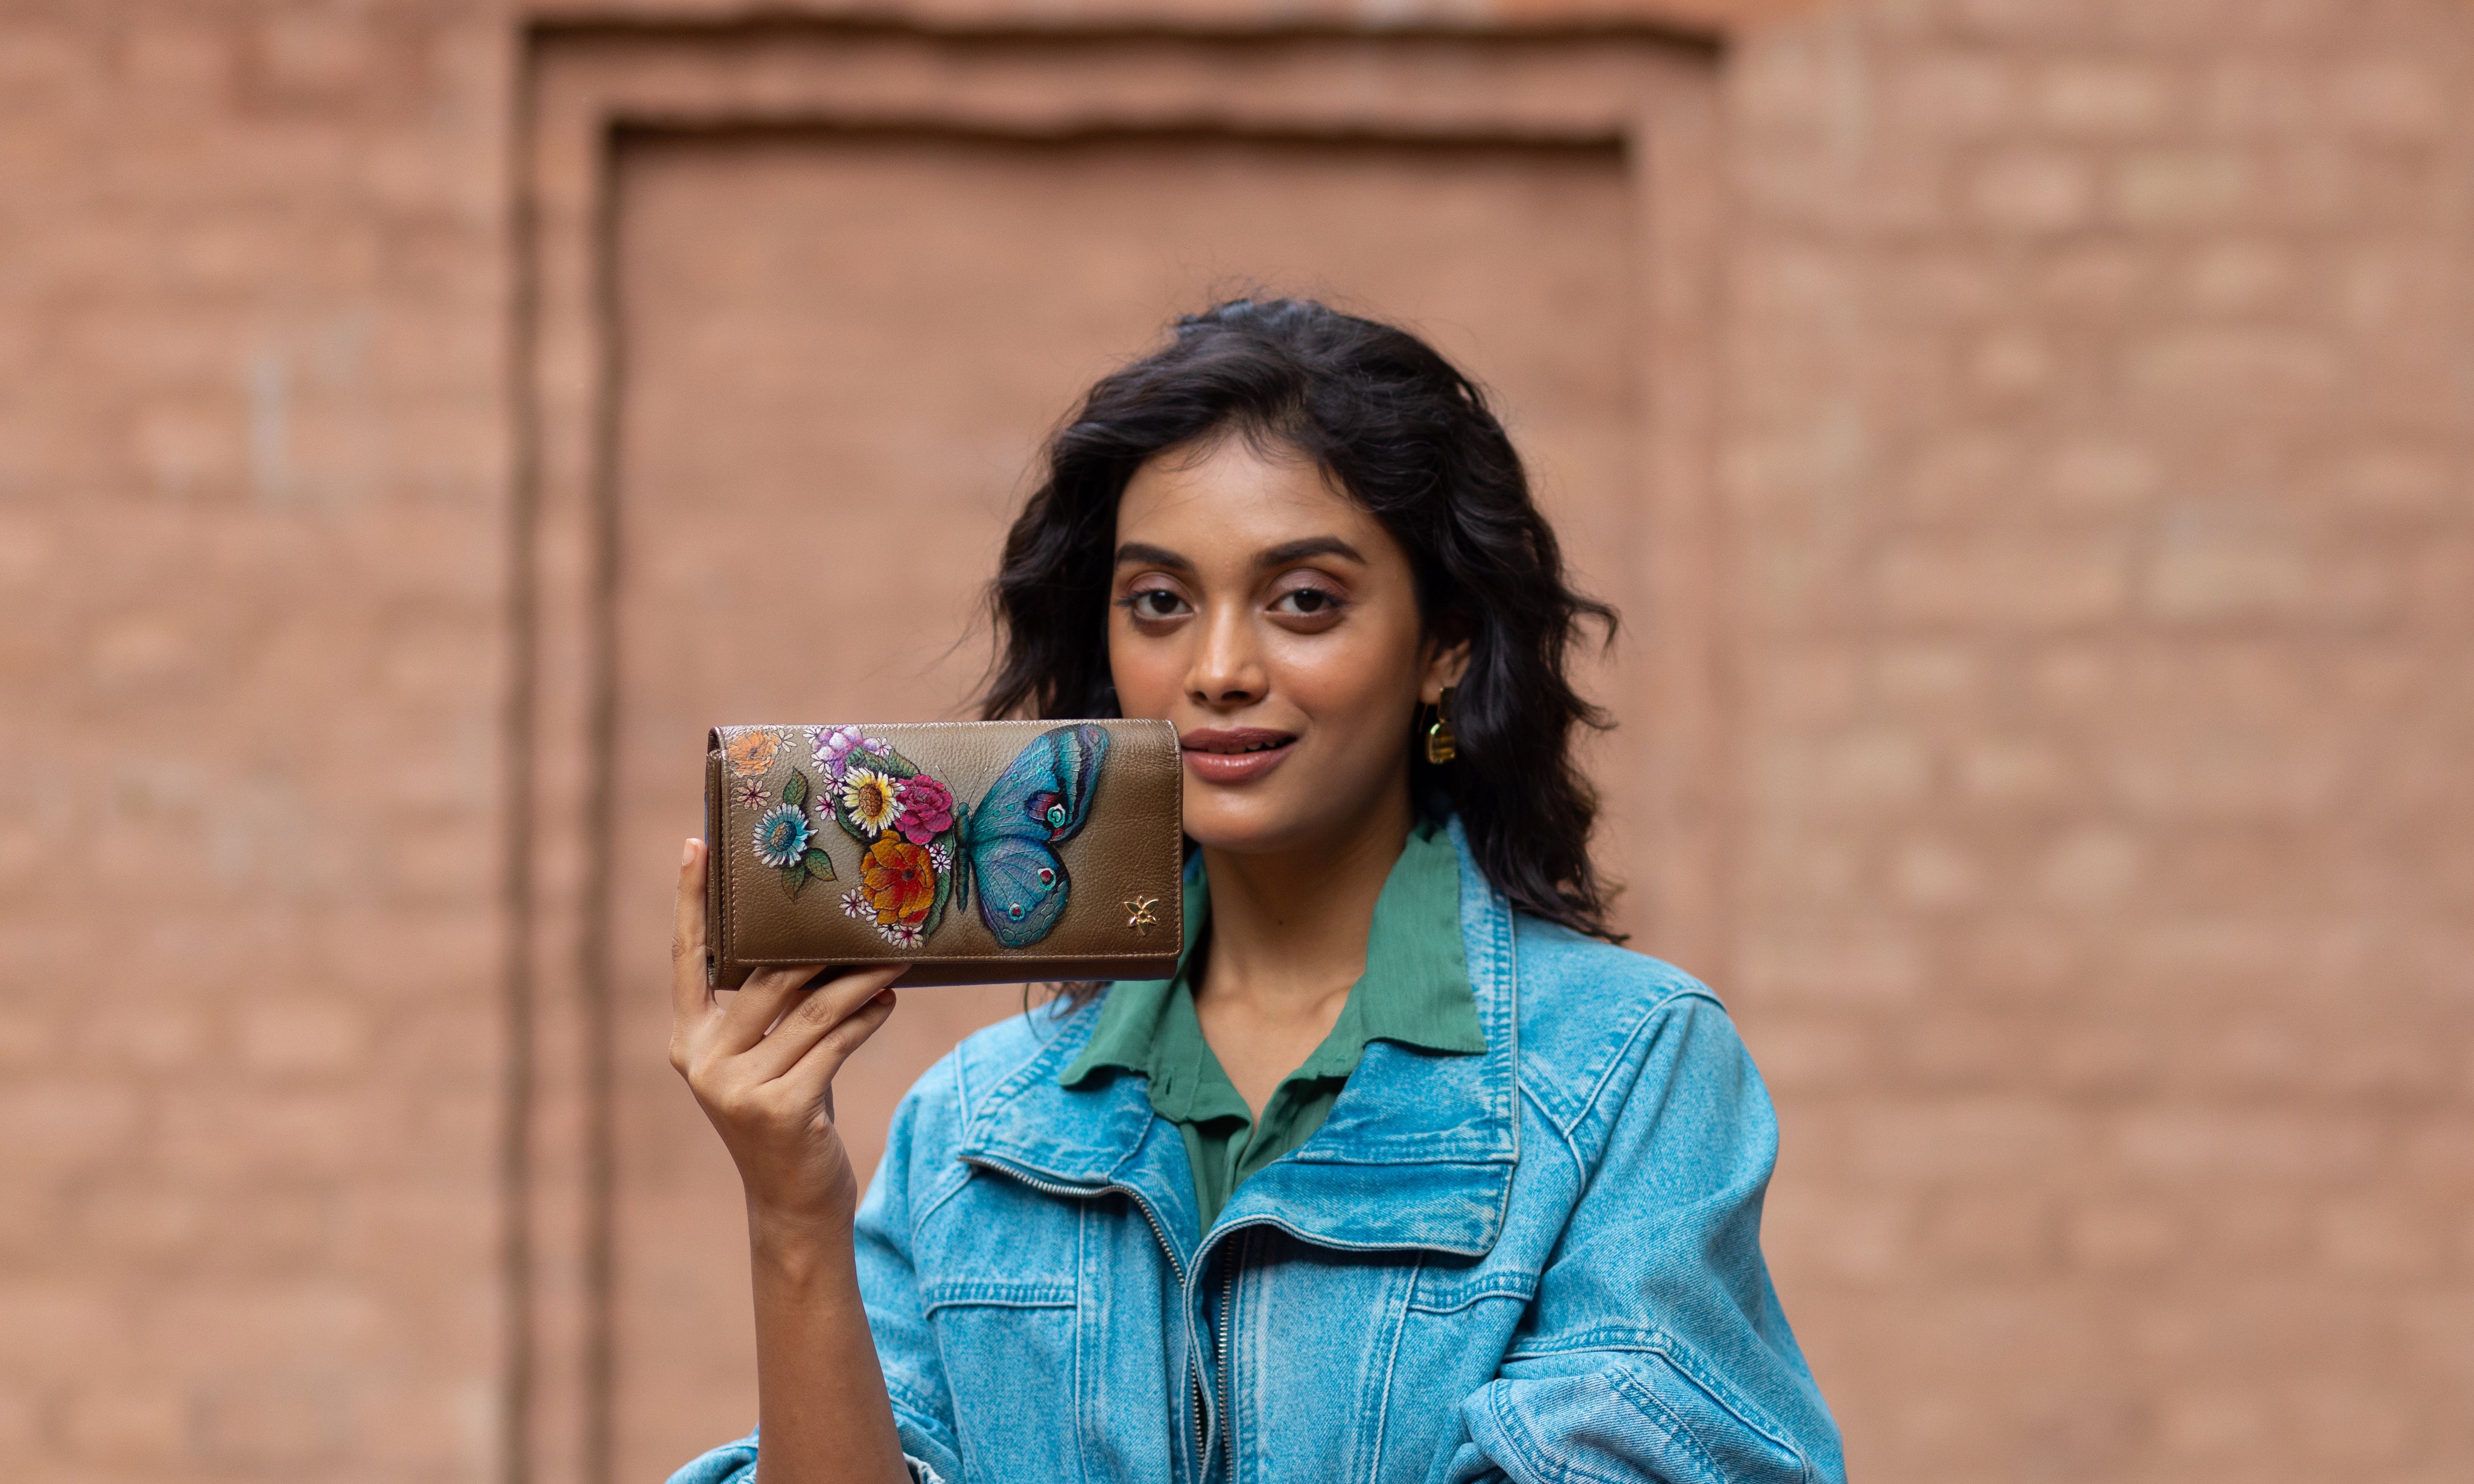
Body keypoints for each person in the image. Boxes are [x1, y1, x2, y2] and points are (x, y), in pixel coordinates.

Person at [664, 298, 1843, 1483]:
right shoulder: (967, 1130)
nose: (1218, 672)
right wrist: (792, 1209)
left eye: (1305, 602)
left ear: (1447, 644)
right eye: (1161, 605)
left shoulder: (1629, 1072)